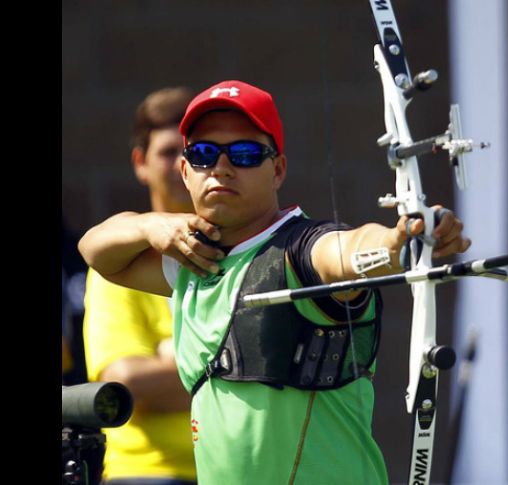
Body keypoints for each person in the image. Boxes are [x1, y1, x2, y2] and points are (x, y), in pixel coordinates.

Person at [78, 79, 471, 485]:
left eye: (246, 154)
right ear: (185, 170)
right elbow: (95, 251)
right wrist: (152, 225)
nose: (222, 167)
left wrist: (399, 243)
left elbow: (347, 251)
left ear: (278, 169)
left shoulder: (302, 249)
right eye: (203, 154)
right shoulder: (193, 263)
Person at [81, 87, 197, 484]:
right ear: (140, 163)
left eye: (195, 151)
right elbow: (124, 384)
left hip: (236, 470)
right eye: (168, 151)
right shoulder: (118, 264)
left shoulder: (241, 254)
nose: (183, 161)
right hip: (148, 472)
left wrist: (170, 360)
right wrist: (227, 364)